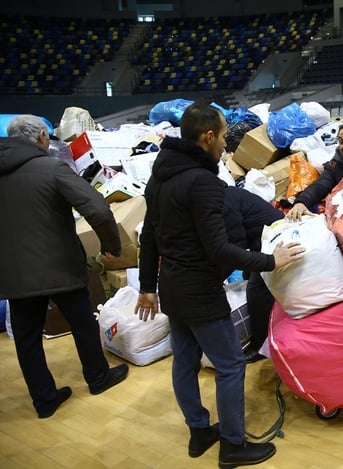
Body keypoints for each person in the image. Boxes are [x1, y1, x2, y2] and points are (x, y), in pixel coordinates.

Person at [134, 102, 305, 468]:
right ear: (208, 137)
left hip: (172, 288)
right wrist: (271, 261)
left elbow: (149, 238)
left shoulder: (159, 177)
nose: (227, 143)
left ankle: (198, 431)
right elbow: (220, 249)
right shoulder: (204, 183)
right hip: (200, 291)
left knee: (184, 362)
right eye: (225, 136)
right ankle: (232, 444)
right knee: (230, 365)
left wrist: (147, 285)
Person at [0, 115, 129, 419]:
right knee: (82, 324)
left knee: (27, 338)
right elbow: (97, 209)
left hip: (15, 273)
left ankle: (44, 400)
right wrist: (111, 246)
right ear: (41, 138)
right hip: (59, 265)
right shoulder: (51, 168)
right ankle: (98, 377)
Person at [222, 185, 284, 363]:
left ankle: (260, 345)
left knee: (256, 291)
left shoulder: (225, 202)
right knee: (248, 278)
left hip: (274, 240)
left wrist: (217, 278)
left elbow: (236, 246)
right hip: (261, 241)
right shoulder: (228, 194)